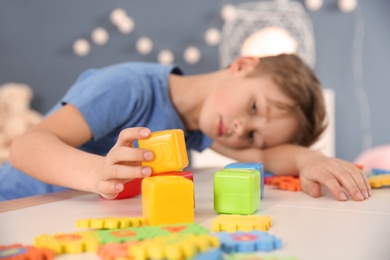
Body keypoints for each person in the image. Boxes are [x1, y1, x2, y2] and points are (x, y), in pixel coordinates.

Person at [0, 54, 370, 202]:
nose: (242, 130)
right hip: (15, 205)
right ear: (242, 65)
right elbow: (26, 147)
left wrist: (309, 161)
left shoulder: (196, 128)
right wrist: (97, 172)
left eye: (253, 134)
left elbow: (267, 154)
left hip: (70, 215)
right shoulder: (130, 87)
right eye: (254, 107)